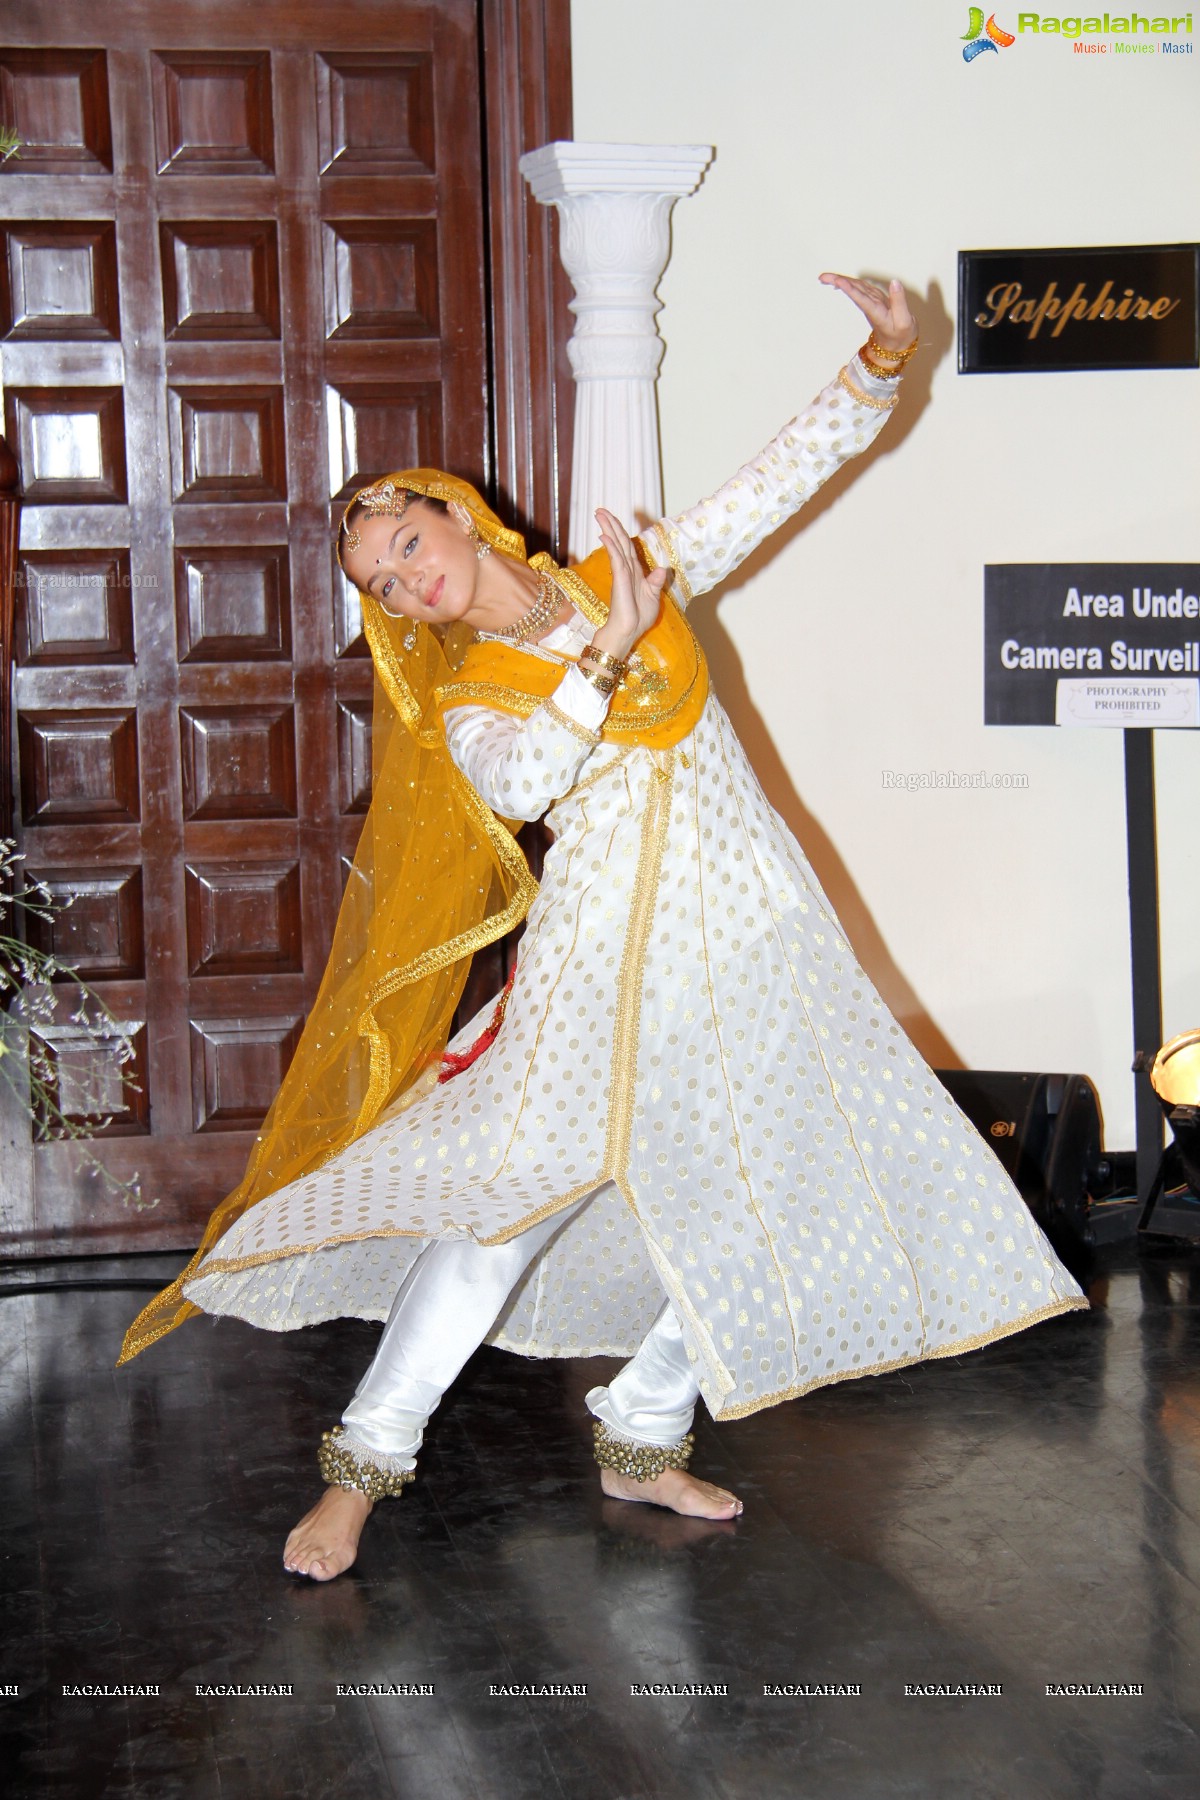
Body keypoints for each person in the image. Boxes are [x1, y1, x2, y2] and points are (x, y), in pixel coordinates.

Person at [120, 274, 1089, 1580]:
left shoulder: (621, 566)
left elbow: (775, 482)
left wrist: (882, 358)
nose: (405, 582)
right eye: (382, 584)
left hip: (749, 934)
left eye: (406, 545)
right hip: (606, 965)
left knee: (763, 1195)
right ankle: (362, 1464)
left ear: (454, 517)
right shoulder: (467, 698)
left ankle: (641, 1430)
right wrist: (595, 660)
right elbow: (522, 785)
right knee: (499, 1221)